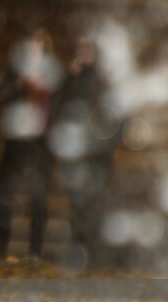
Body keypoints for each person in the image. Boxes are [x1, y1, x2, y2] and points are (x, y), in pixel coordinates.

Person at [51, 36, 123, 268]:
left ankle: (94, 252)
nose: (84, 51)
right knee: (77, 202)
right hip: (78, 152)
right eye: (81, 47)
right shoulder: (72, 78)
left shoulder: (107, 79)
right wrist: (69, 77)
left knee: (96, 201)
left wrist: (111, 142)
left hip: (100, 153)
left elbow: (120, 113)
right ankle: (79, 250)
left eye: (88, 47)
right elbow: (59, 109)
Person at [0, 27, 59, 259]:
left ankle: (34, 252)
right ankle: (0, 251)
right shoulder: (15, 73)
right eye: (32, 46)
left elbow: (60, 108)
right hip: (16, 142)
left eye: (40, 47)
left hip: (41, 144)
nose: (36, 51)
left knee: (39, 198)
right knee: (6, 195)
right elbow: (0, 96)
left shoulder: (52, 75)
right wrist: (20, 83)